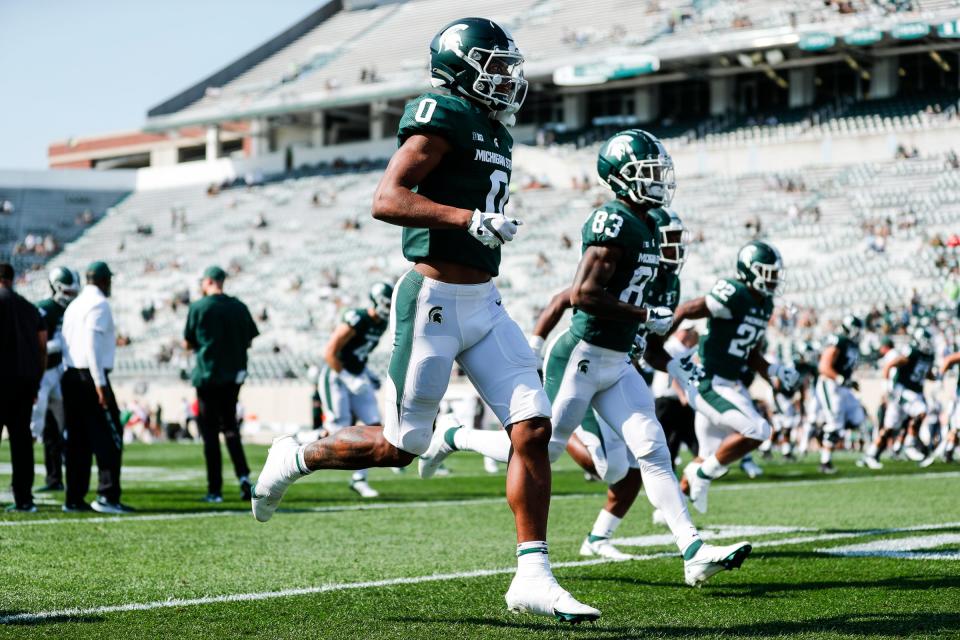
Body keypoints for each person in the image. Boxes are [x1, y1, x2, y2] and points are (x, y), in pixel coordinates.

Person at [251, 17, 599, 623]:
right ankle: (297, 456)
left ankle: (533, 576)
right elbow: (388, 198)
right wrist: (467, 219)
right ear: (463, 67)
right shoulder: (441, 112)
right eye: (494, 64)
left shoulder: (494, 128)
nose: (507, 77)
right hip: (433, 301)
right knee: (401, 445)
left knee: (534, 427)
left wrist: (476, 223)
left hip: (485, 303)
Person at [421, 133, 752, 583]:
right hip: (580, 355)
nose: (658, 181)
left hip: (617, 361)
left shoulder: (650, 226)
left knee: (653, 449)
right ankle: (455, 434)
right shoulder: (612, 220)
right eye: (648, 172)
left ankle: (693, 551)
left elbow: (644, 321)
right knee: (539, 448)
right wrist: (642, 314)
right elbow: (582, 294)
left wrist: (669, 353)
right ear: (621, 178)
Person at [670, 241, 799, 514]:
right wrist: (657, 339)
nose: (774, 278)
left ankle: (669, 510)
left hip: (729, 383)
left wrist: (773, 370)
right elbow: (687, 309)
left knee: (707, 455)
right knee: (758, 430)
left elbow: (749, 350)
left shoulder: (764, 304)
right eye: (768, 272)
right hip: (709, 382)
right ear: (749, 271)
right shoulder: (735, 293)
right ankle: (702, 476)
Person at [183, 266, 259, 503]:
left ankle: (214, 489)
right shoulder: (239, 306)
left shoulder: (198, 307)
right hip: (233, 376)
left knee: (210, 435)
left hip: (207, 376)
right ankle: (244, 478)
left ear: (207, 282)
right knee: (231, 429)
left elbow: (189, 342)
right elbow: (249, 340)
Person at [61, 261, 130, 513]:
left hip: (70, 375)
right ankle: (107, 495)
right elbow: (91, 345)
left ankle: (74, 498)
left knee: (77, 441)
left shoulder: (74, 304)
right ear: (103, 280)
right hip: (91, 377)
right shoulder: (99, 304)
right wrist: (100, 384)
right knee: (111, 437)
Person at [318, 282, 393, 498]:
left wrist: (366, 373)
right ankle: (295, 440)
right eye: (385, 303)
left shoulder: (381, 325)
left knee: (374, 427)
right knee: (336, 431)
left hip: (357, 375)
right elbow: (330, 351)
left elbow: (359, 354)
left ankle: (360, 479)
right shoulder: (357, 318)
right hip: (336, 376)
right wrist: (347, 377)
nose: (388, 308)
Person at [0, 263, 46, 512]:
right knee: (21, 443)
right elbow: (42, 348)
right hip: (24, 384)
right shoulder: (30, 309)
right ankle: (24, 498)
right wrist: (36, 382)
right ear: (12, 278)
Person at [31, 267, 81, 492]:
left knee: (65, 429)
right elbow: (37, 345)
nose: (70, 298)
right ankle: (48, 478)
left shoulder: (77, 310)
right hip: (44, 373)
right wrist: (58, 346)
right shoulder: (44, 310)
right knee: (38, 427)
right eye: (66, 293)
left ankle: (65, 479)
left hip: (63, 372)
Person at [816, 316, 866, 473]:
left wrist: (849, 382)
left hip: (843, 387)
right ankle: (825, 462)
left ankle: (824, 433)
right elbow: (823, 366)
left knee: (858, 417)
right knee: (835, 423)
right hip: (830, 384)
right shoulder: (839, 340)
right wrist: (840, 378)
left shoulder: (852, 345)